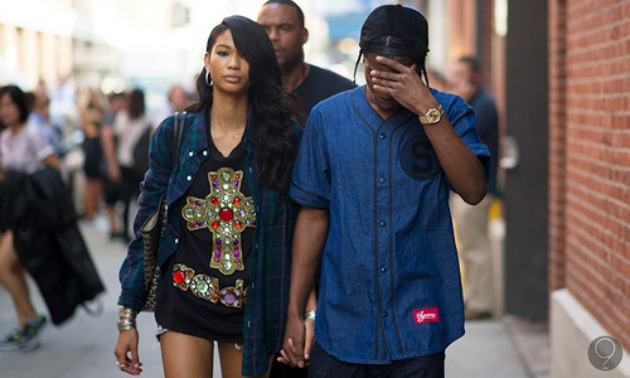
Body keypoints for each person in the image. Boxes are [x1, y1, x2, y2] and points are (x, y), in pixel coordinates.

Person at [280, 5, 490, 377]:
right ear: (362, 59)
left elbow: (473, 189)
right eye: (376, 70)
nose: (385, 83)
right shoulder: (328, 118)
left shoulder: (451, 111)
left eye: (399, 72)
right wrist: (297, 312)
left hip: (419, 321)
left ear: (419, 65)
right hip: (342, 325)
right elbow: (313, 215)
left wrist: (426, 107)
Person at [114, 15, 307, 377]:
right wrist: (128, 315)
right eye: (223, 53)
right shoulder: (175, 134)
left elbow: (302, 229)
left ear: (259, 65)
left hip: (254, 306)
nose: (233, 64)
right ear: (207, 61)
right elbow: (147, 225)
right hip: (185, 297)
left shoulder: (284, 138)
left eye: (244, 55)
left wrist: (303, 311)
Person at [0, 85, 60, 351]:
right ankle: (26, 324)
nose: (4, 111)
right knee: (10, 270)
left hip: (30, 217)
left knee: (3, 266)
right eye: (1, 106)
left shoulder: (33, 134)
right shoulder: (5, 137)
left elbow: (55, 171)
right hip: (10, 212)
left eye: (9, 105)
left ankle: (33, 319)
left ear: (21, 106)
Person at [448, 55, 500, 320]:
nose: (455, 81)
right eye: (453, 74)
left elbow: (459, 136)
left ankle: (480, 304)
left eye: (461, 74)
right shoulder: (471, 103)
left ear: (475, 77)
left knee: (475, 245)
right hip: (462, 190)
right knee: (467, 245)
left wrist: (461, 103)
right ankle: (474, 298)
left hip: (478, 190)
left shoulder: (483, 105)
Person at [257, 0, 355, 124]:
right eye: (264, 29)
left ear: (304, 35)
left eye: (284, 28)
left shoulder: (341, 93)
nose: (273, 36)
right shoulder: (245, 91)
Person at [101, 91, 128, 241]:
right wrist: (112, 165)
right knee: (111, 198)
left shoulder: (118, 116)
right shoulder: (112, 117)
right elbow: (107, 142)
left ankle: (115, 227)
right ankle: (114, 227)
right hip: (111, 163)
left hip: (114, 163)